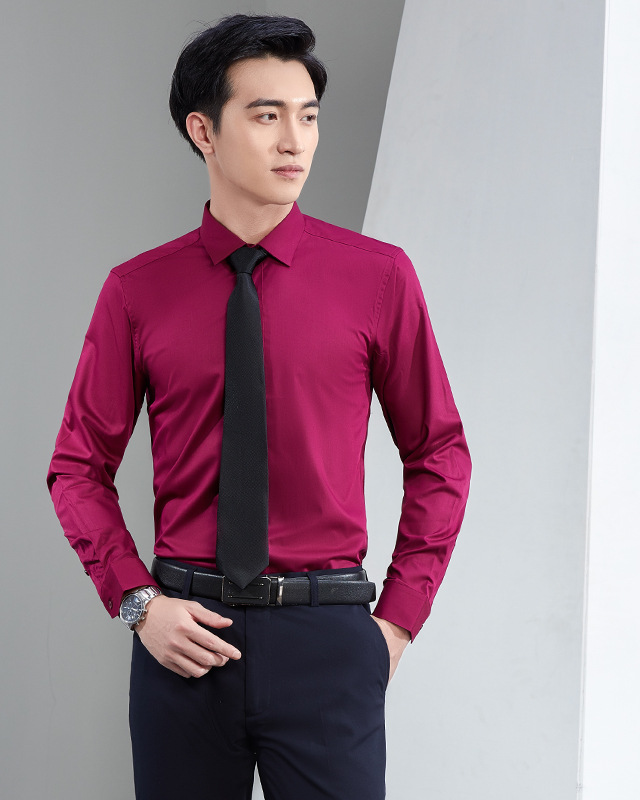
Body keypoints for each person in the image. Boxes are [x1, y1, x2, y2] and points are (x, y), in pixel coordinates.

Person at [47, 13, 471, 800]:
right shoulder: (137, 292)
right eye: (267, 115)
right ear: (202, 130)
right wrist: (139, 602)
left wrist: (396, 621)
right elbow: (77, 466)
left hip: (327, 639)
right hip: (185, 640)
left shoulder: (379, 278)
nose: (295, 141)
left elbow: (439, 451)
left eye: (308, 117)